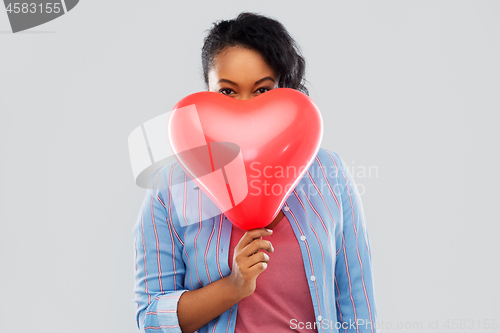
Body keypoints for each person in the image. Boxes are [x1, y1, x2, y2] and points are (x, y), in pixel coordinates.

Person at [133, 12, 378, 333]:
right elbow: (150, 319)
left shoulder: (329, 173)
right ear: (207, 91)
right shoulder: (169, 189)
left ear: (285, 90)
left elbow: (357, 302)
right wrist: (232, 287)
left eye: (262, 90)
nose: (244, 108)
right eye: (228, 91)